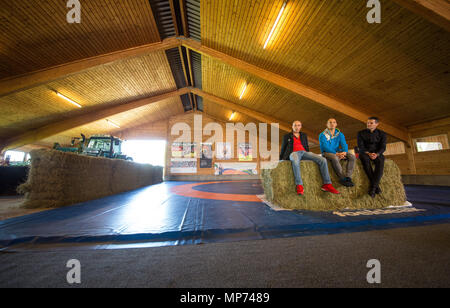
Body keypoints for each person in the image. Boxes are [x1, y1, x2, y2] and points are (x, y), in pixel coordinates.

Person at [280, 120, 340, 195]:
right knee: (295, 161)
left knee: (323, 160)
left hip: (304, 152)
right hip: (293, 153)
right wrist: (280, 160)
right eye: (295, 125)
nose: (297, 127)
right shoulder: (287, 136)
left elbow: (306, 146)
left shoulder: (304, 135)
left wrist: (308, 154)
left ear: (301, 127)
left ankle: (327, 184)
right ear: (292, 127)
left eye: (298, 125)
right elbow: (283, 148)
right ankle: (299, 185)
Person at [319, 118, 356, 187]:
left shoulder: (340, 134)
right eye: (330, 122)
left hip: (338, 151)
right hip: (326, 152)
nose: (332, 124)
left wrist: (344, 152)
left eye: (334, 122)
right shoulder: (322, 135)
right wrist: (336, 154)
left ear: (336, 124)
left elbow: (344, 144)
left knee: (352, 157)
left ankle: (348, 177)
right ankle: (342, 178)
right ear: (327, 125)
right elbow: (325, 147)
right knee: (335, 157)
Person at [357, 117, 387, 198]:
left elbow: (383, 147)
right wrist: (368, 153)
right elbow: (360, 146)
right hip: (365, 153)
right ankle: (376, 187)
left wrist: (377, 154)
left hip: (377, 153)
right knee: (365, 162)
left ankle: (373, 188)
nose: (368, 124)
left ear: (377, 124)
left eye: (371, 123)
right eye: (368, 123)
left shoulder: (382, 134)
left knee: (380, 162)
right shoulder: (360, 133)